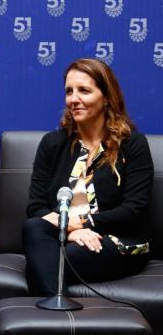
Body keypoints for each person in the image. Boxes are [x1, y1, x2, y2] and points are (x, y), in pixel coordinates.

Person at [23, 58, 153, 296]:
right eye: (69, 92)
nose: (74, 99)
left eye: (84, 90)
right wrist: (72, 231)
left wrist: (83, 223)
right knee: (34, 228)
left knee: (49, 259)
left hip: (117, 241)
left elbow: (133, 210)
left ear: (106, 97)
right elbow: (36, 208)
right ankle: (58, 319)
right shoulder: (52, 144)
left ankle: (51, 319)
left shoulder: (133, 145)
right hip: (65, 236)